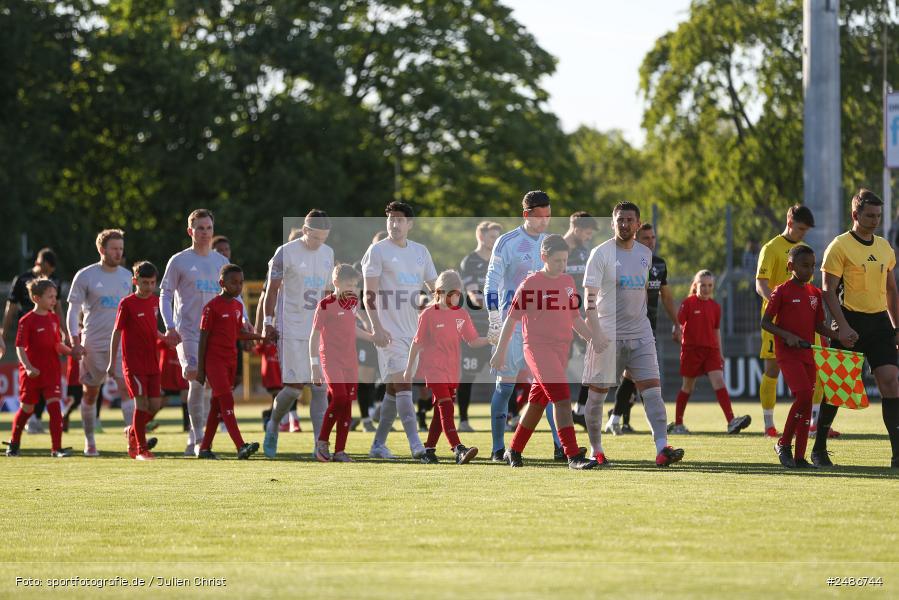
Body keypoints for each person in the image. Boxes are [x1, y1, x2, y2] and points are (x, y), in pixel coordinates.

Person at [582, 201, 684, 467]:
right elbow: (589, 299)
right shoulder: (600, 253)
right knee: (596, 396)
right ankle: (596, 450)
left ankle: (662, 448)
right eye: (620, 220)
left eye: (630, 220)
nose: (625, 224)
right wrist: (596, 332)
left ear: (638, 224)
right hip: (607, 336)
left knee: (653, 392)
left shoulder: (644, 255)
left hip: (641, 334)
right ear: (612, 223)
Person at [490, 235, 595, 469]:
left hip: (561, 350)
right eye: (557, 260)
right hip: (537, 350)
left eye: (565, 260)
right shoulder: (530, 284)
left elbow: (574, 317)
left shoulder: (568, 281)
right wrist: (500, 352)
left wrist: (593, 338)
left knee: (537, 403)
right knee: (562, 399)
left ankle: (513, 450)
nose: (562, 265)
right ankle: (572, 455)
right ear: (543, 257)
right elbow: (511, 320)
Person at [814, 189, 899, 468]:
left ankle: (897, 455)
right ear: (855, 215)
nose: (875, 221)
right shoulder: (838, 247)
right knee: (838, 389)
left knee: (891, 382)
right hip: (849, 321)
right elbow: (827, 291)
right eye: (869, 215)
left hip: (879, 324)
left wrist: (896, 327)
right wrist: (843, 327)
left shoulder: (885, 248)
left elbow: (891, 291)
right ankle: (819, 449)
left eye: (878, 215)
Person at [485, 191, 563, 463]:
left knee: (551, 388)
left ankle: (560, 446)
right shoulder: (507, 242)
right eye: (540, 216)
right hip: (513, 325)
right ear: (526, 215)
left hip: (543, 331)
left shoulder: (550, 243)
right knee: (505, 388)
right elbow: (491, 282)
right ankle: (497, 449)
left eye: (548, 216)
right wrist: (494, 320)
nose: (545, 222)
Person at [362, 201, 437, 460]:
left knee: (394, 391)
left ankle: (378, 445)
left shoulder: (420, 252)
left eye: (399, 219)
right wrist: (376, 327)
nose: (394, 223)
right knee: (404, 385)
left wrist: (446, 297)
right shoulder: (377, 251)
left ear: (410, 224)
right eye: (390, 219)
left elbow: (433, 288)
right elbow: (368, 295)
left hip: (413, 333)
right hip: (388, 334)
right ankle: (417, 445)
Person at [160, 209, 236, 456]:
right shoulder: (179, 260)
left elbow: (235, 297)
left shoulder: (221, 263)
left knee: (211, 387)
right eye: (200, 228)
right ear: (190, 231)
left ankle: (196, 437)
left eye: (209, 228)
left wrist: (243, 320)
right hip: (189, 333)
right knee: (195, 378)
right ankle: (198, 438)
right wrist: (170, 326)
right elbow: (166, 294)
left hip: (216, 335)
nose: (205, 233)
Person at [261, 210, 334, 458]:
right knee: (293, 388)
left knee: (319, 387)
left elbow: (326, 294)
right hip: (291, 327)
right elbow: (271, 291)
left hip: (318, 331)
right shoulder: (285, 252)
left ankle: (319, 445)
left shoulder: (328, 253)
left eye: (324, 238)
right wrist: (267, 323)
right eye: (316, 238)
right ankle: (273, 424)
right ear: (305, 231)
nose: (319, 243)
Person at [754, 205, 832, 438]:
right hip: (776, 321)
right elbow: (761, 284)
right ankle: (769, 424)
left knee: (815, 367)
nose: (802, 234)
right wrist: (779, 308)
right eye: (800, 228)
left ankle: (813, 423)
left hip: (804, 320)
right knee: (772, 369)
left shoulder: (803, 251)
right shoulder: (771, 248)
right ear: (789, 221)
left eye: (806, 230)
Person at [761, 245, 835, 468]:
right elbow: (765, 322)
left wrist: (837, 334)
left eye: (813, 266)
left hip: (808, 352)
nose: (809, 270)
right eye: (805, 265)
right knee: (803, 396)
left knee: (807, 401)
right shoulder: (781, 291)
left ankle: (800, 457)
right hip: (787, 353)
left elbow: (819, 326)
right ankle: (783, 444)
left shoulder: (814, 293)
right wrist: (787, 335)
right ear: (790, 266)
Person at [404, 270, 487, 465]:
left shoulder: (462, 314)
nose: (455, 298)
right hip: (433, 370)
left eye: (458, 294)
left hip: (452, 372)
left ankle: (429, 450)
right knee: (447, 407)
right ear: (439, 292)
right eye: (451, 293)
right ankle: (458, 449)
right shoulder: (427, 315)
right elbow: (416, 344)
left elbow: (473, 341)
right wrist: (409, 369)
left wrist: (492, 339)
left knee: (441, 412)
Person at [605, 223, 680, 434]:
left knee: (633, 377)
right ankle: (619, 419)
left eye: (653, 237)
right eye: (646, 238)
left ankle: (616, 419)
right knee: (631, 378)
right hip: (624, 328)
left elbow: (666, 296)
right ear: (636, 240)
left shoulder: (659, 264)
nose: (651, 241)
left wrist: (676, 322)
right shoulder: (624, 261)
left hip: (648, 329)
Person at [68, 229, 134, 456]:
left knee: (127, 390)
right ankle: (90, 441)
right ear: (101, 249)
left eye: (121, 249)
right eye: (114, 248)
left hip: (121, 343)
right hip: (93, 344)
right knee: (90, 393)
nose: (118, 253)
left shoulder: (127, 276)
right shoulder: (85, 276)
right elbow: (72, 311)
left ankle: (132, 442)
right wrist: (74, 341)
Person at [670, 270, 751, 434]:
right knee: (688, 387)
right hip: (691, 351)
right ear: (696, 285)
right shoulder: (688, 303)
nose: (706, 289)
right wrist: (676, 332)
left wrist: (720, 352)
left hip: (711, 351)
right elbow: (677, 325)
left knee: (719, 382)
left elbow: (716, 331)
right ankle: (678, 425)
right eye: (703, 285)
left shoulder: (715, 307)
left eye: (709, 285)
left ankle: (731, 422)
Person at [309, 264, 375, 462]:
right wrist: (314, 365)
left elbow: (352, 329)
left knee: (347, 404)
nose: (352, 288)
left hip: (350, 360)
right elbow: (314, 336)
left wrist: (373, 338)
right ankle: (322, 442)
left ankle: (340, 451)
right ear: (336, 283)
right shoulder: (325, 305)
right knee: (339, 398)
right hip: (330, 359)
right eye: (348, 284)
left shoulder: (352, 304)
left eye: (355, 285)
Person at [195, 264, 261, 459]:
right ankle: (240, 446)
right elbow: (203, 339)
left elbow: (237, 334)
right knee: (227, 401)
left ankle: (205, 448)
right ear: (221, 283)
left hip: (231, 360)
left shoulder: (238, 306)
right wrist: (200, 369)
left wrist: (260, 337)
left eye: (241, 282)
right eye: (234, 282)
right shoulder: (211, 307)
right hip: (214, 363)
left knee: (217, 405)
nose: (238, 286)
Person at [1, 247, 66, 433]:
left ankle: (36, 419)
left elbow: (58, 308)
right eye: (47, 270)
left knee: (49, 379)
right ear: (41, 263)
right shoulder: (21, 279)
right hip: (29, 336)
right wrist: (2, 335)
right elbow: (10, 308)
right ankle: (27, 422)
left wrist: (63, 331)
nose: (48, 274)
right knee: (31, 380)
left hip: (49, 333)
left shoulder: (55, 281)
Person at [5, 279, 72, 457]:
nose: (53, 300)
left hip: (51, 371)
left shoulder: (54, 319)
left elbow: (57, 345)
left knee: (55, 407)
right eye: (50, 297)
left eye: (55, 296)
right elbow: (19, 346)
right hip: (32, 373)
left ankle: (56, 448)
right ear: (36, 298)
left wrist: (73, 352)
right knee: (27, 409)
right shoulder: (26, 321)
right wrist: (27, 367)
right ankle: (14, 442)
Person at [108, 261, 164, 460]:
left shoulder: (155, 301)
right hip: (134, 364)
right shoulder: (127, 303)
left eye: (152, 282)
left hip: (152, 362)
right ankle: (141, 449)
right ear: (134, 281)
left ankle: (132, 431)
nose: (149, 287)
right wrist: (110, 361)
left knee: (155, 405)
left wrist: (164, 337)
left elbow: (150, 328)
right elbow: (117, 332)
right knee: (141, 405)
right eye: (145, 283)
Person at [458, 221, 502, 433]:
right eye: (492, 237)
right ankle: (463, 420)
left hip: (499, 327)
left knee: (505, 374)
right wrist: (499, 304)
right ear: (481, 237)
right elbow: (474, 298)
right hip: (475, 329)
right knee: (467, 376)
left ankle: (508, 417)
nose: (495, 242)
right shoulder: (470, 261)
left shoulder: (499, 261)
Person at [563, 212, 597, 430]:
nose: (588, 237)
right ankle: (516, 412)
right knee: (556, 367)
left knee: (592, 360)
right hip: (559, 318)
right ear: (576, 228)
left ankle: (580, 410)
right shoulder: (557, 249)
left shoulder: (585, 252)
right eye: (586, 233)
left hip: (581, 317)